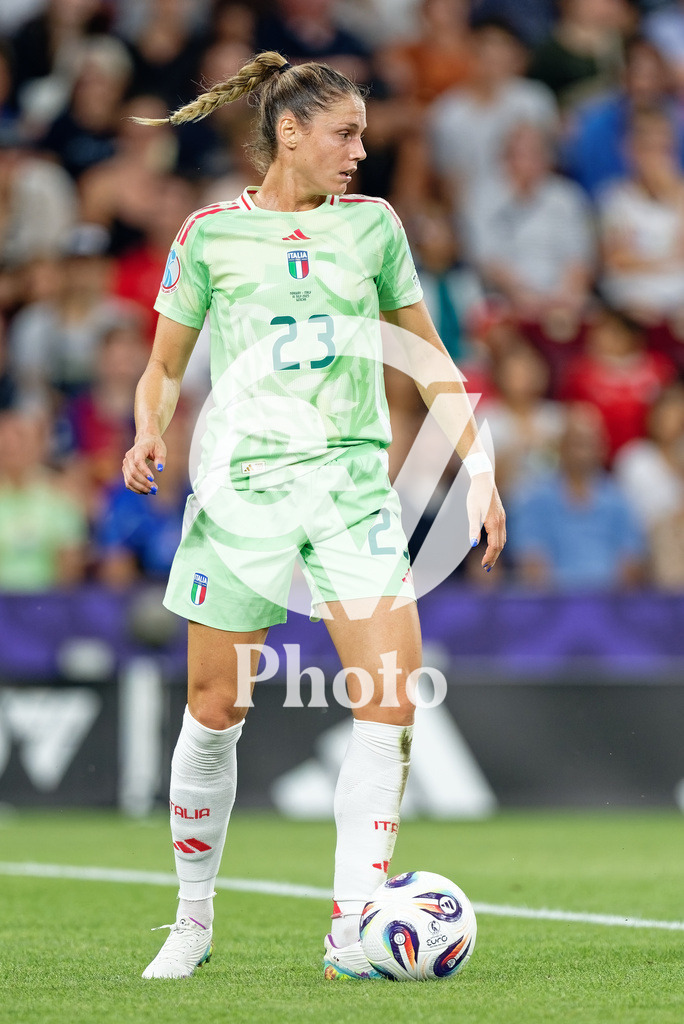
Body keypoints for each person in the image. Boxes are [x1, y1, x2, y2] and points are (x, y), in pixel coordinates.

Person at [122, 51, 505, 981]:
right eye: (346, 134)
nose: (360, 152)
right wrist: (148, 430)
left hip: (351, 487)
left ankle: (351, 929)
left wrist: (480, 469)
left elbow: (428, 356)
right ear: (289, 133)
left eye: (363, 135)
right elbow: (165, 365)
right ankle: (192, 919)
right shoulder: (209, 234)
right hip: (244, 487)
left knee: (389, 699)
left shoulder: (374, 226)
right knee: (216, 707)